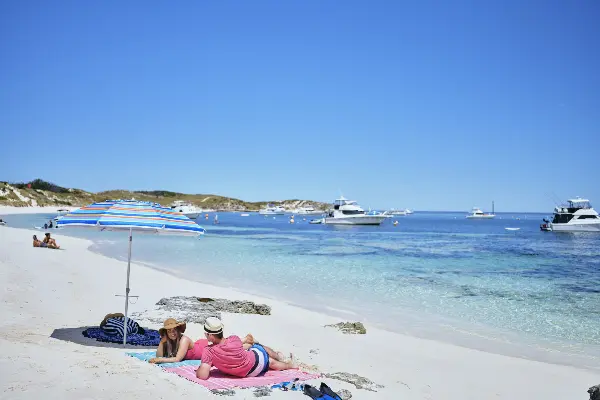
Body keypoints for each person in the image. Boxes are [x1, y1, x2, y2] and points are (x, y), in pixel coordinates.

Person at [196, 317, 295, 380]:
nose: (205, 335)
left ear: (211, 336)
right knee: (259, 349)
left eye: (206, 334)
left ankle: (282, 360)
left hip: (249, 373)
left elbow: (203, 376)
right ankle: (285, 362)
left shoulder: (208, 351)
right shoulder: (233, 339)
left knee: (265, 358)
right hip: (255, 362)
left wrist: (200, 368)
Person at [149, 318, 255, 364]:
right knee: (225, 344)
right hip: (199, 345)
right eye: (169, 331)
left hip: (202, 348)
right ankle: (245, 340)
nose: (173, 333)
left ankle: (247, 341)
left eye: (174, 330)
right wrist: (162, 342)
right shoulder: (169, 341)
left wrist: (160, 360)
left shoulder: (184, 339)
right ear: (166, 333)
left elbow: (177, 359)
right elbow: (159, 354)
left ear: (178, 330)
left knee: (225, 346)